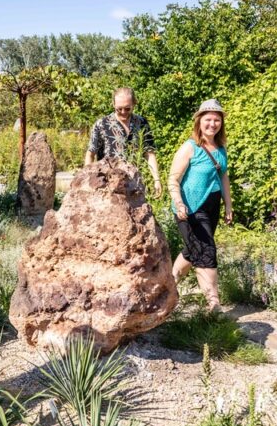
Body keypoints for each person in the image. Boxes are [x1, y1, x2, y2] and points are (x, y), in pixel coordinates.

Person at [167, 98, 233, 310]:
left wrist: (228, 206)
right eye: (208, 119)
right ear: (199, 121)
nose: (212, 124)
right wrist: (179, 203)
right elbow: (173, 179)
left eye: (216, 120)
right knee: (206, 251)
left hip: (212, 208)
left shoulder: (221, 148)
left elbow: (223, 177)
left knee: (192, 250)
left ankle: (167, 289)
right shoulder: (190, 147)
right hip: (190, 209)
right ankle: (214, 305)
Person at [85, 87, 162, 197]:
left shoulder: (141, 123)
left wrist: (157, 180)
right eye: (119, 109)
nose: (123, 112)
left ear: (134, 104)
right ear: (113, 104)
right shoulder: (102, 124)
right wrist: (89, 180)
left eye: (127, 109)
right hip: (108, 188)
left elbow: (149, 153)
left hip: (135, 185)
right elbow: (90, 154)